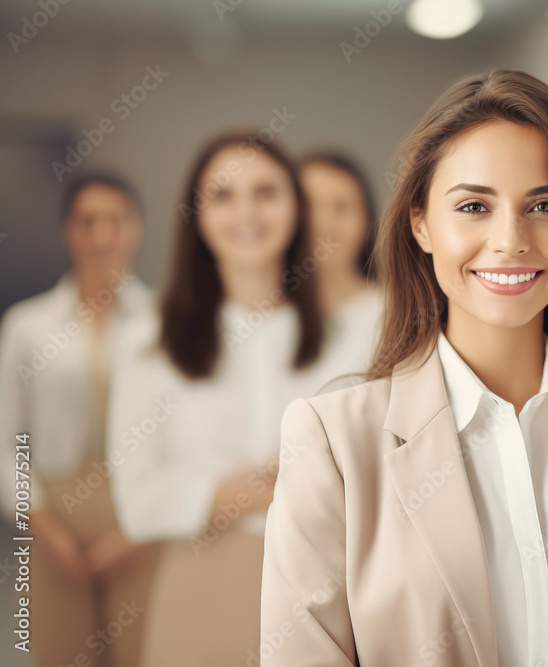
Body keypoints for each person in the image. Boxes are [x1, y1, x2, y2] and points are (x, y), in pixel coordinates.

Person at [260, 69, 548, 666]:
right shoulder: (331, 440)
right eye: (473, 206)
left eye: (544, 205)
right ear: (421, 223)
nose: (510, 239)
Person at [106, 132, 372, 667]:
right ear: (196, 216)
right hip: (201, 581)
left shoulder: (352, 335)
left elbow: (367, 476)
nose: (246, 212)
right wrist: (265, 487)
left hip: (325, 585)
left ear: (296, 206)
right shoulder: (148, 338)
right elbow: (137, 503)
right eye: (223, 195)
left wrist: (241, 490)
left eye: (266, 192)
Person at [0, 172, 158, 666]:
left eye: (116, 220)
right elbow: (9, 443)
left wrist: (140, 529)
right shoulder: (28, 326)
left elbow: (182, 438)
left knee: (143, 652)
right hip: (53, 519)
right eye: (88, 221)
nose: (103, 236)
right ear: (68, 230)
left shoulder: (164, 320)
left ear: (136, 228)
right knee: (58, 654)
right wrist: (43, 526)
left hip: (140, 515)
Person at [298, 151, 383, 373]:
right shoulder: (264, 318)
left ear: (367, 224)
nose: (322, 224)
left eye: (341, 207)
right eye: (307, 206)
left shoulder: (397, 317)